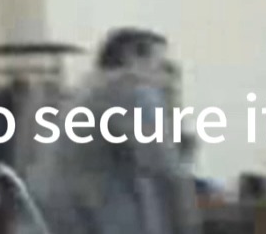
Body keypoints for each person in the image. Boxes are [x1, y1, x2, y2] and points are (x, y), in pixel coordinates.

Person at [14, 28, 201, 234]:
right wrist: (191, 224)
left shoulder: (82, 91)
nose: (164, 76)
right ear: (132, 57)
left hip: (55, 218)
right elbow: (165, 167)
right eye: (161, 65)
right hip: (94, 218)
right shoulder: (130, 89)